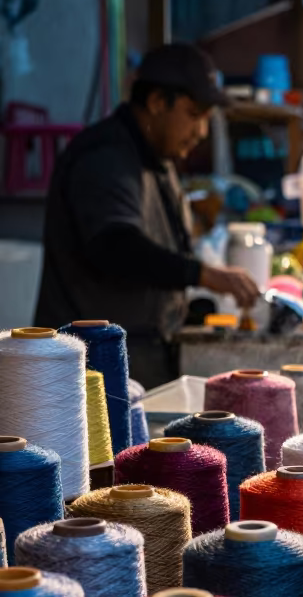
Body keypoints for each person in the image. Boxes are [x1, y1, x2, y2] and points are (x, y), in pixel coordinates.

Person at [34, 43, 258, 389]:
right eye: (195, 114)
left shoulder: (156, 158)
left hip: (134, 358)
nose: (201, 132)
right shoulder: (106, 157)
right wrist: (201, 274)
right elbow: (115, 246)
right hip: (88, 370)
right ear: (156, 102)